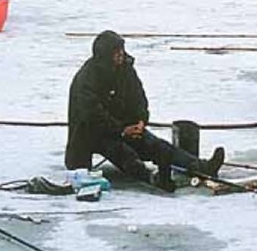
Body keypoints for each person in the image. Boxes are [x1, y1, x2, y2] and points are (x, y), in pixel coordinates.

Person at [65, 30, 225, 193]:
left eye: (121, 49)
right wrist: (121, 130)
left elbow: (138, 98)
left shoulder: (126, 69)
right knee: (125, 154)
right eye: (116, 51)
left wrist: (141, 120)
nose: (120, 54)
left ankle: (201, 167)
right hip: (93, 132)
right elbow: (92, 115)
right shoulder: (86, 79)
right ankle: (152, 178)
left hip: (124, 125)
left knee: (157, 146)